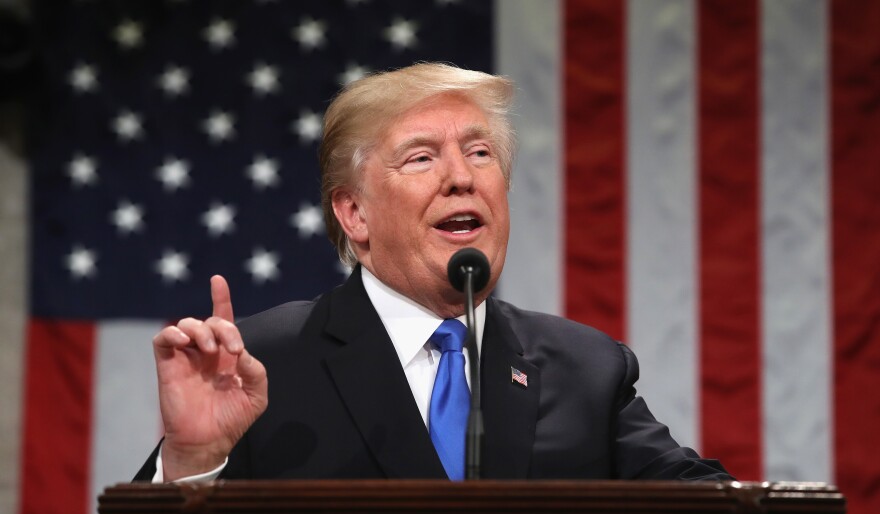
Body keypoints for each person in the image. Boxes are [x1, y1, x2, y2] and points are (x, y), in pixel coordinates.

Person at [134, 62, 732, 486]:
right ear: (355, 213)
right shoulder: (265, 363)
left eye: (480, 153)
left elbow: (712, 511)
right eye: (421, 158)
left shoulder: (585, 369)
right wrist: (192, 466)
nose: (461, 177)